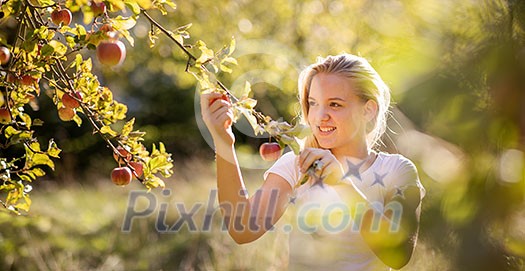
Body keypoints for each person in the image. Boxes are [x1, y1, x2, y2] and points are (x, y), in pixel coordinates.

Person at [200, 53, 425, 270]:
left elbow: (399, 255)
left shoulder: (397, 170)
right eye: (313, 103)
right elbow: (244, 230)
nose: (319, 116)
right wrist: (223, 142)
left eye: (334, 104)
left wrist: (342, 184)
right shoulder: (298, 165)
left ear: (368, 110)